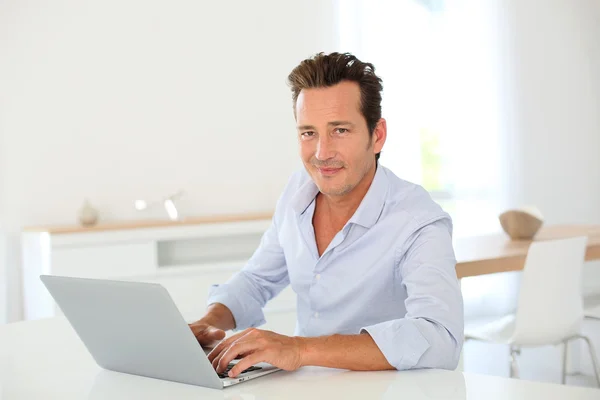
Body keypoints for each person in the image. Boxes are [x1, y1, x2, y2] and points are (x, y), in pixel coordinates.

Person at [189, 52, 464, 378]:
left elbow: (440, 337)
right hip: (304, 387)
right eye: (308, 133)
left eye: (340, 131)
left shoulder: (418, 222)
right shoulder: (297, 192)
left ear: (377, 136)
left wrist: (300, 348)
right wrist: (208, 323)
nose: (322, 153)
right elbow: (257, 280)